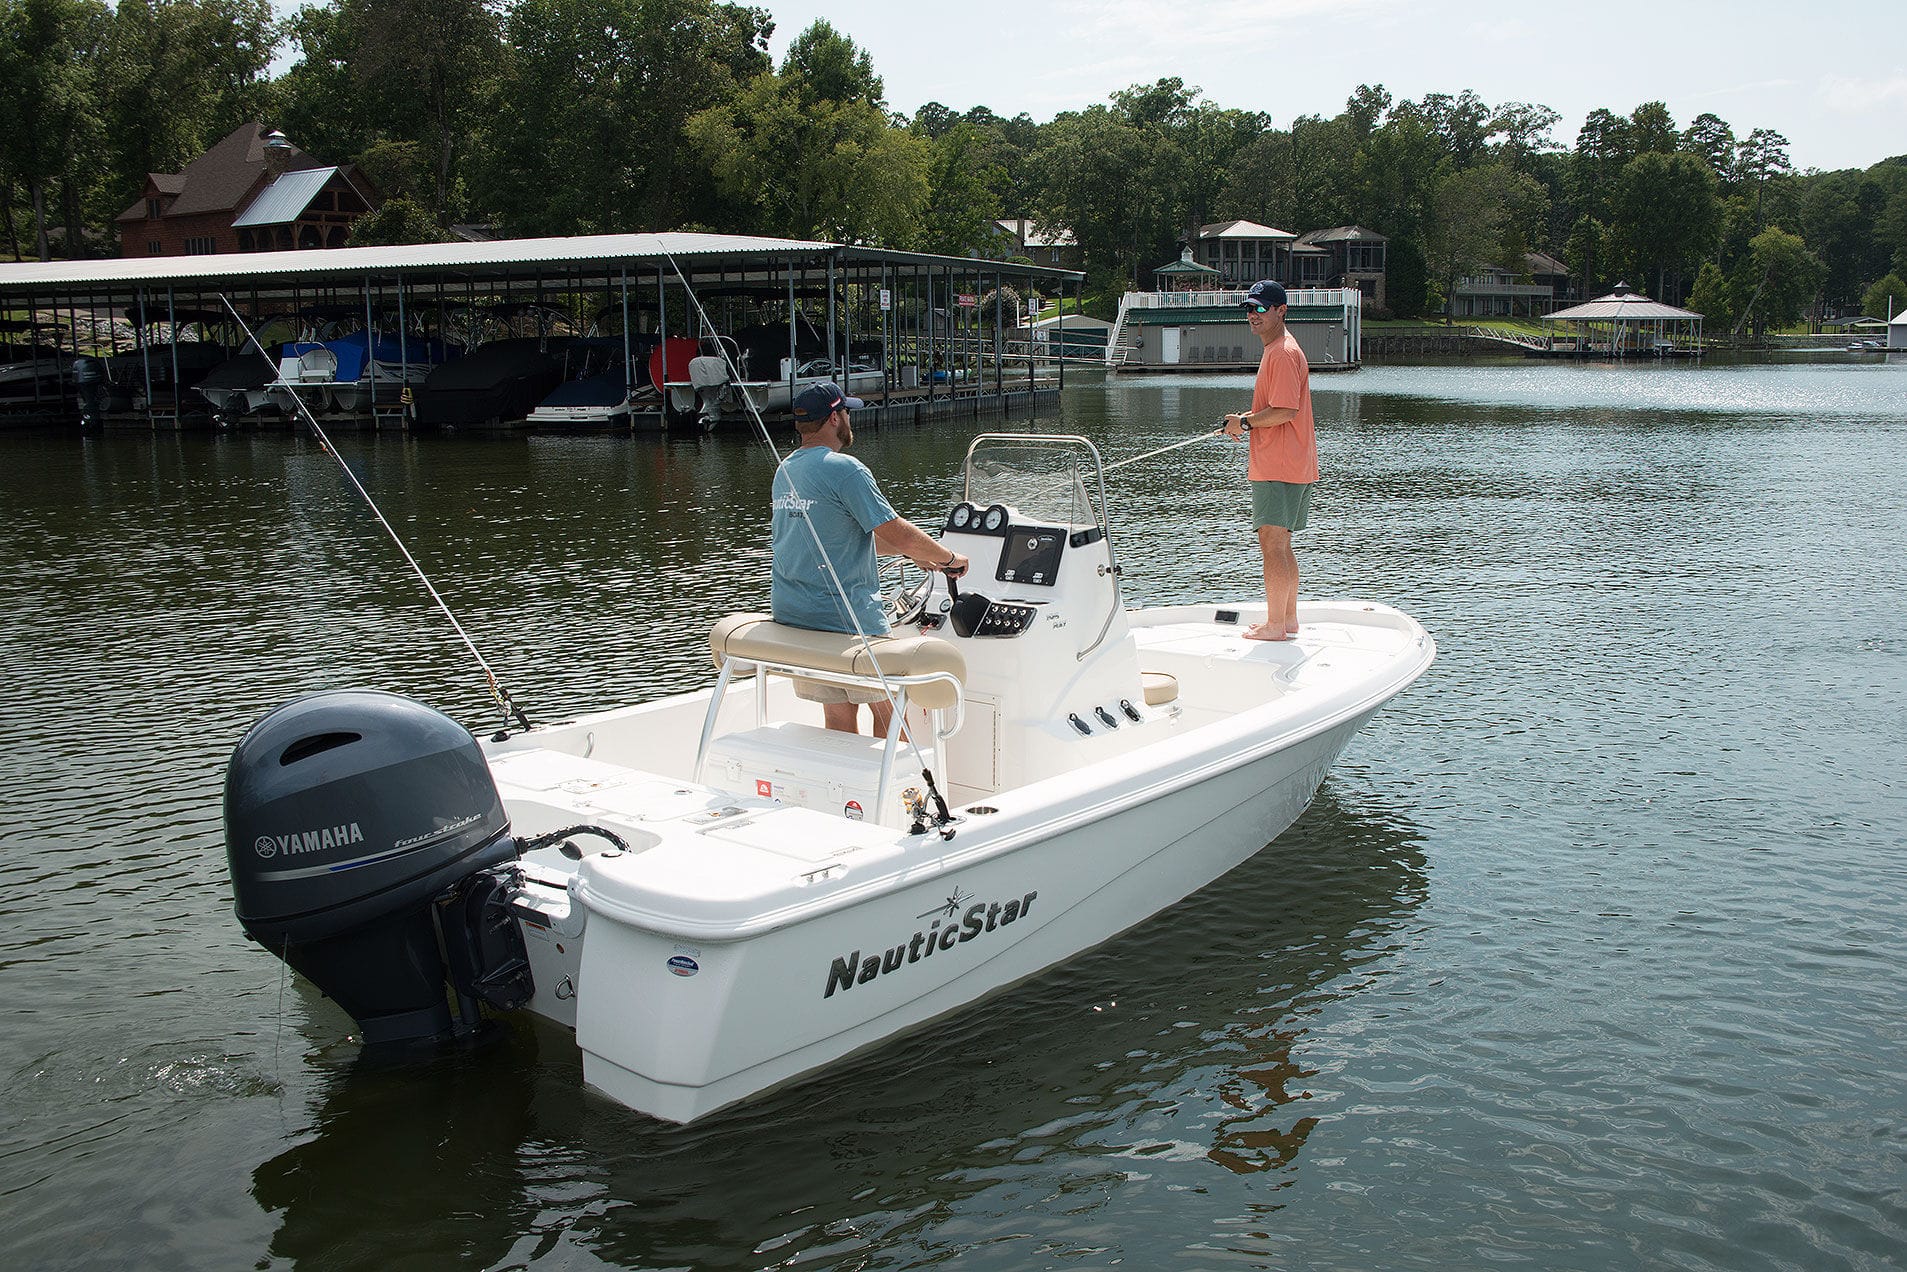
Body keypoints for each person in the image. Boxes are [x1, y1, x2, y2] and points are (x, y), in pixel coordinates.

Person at [770, 382, 970, 735]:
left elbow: (838, 539)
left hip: (798, 618)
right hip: (848, 620)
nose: (849, 419)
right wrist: (950, 557)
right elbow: (898, 532)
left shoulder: (785, 470)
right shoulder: (845, 469)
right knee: (890, 715)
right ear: (834, 418)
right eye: (846, 412)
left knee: (837, 717)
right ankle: (898, 790)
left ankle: (849, 789)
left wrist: (918, 557)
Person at [1222, 279, 1318, 642]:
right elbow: (1275, 407)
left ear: (1281, 311)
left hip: (1279, 464)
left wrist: (1245, 422)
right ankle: (1288, 620)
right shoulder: (1281, 350)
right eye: (1250, 308)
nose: (1253, 315)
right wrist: (1242, 421)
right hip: (1292, 463)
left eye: (1261, 308)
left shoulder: (1281, 352)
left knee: (1273, 544)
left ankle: (1275, 625)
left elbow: (1285, 410)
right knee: (1281, 543)